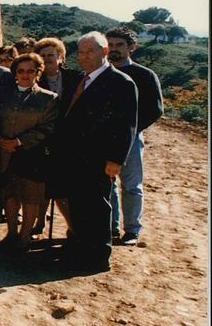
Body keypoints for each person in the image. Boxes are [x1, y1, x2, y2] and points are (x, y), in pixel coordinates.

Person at [59, 32, 137, 272]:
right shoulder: (80, 80)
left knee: (96, 207)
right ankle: (81, 248)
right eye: (80, 52)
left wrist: (116, 159)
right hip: (75, 157)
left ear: (104, 52)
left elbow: (126, 125)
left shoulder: (120, 83)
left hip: (98, 158)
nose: (83, 57)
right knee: (78, 204)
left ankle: (97, 257)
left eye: (89, 52)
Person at [105, 27, 163, 246]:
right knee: (107, 184)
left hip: (132, 139)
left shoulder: (145, 75)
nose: (114, 50)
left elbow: (155, 109)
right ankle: (110, 228)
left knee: (131, 185)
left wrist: (130, 130)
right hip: (104, 140)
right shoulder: (102, 74)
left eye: (119, 45)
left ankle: (131, 231)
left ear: (131, 47)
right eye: (110, 45)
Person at [0, 52, 58, 250]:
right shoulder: (3, 94)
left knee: (30, 198)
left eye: (30, 71)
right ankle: (11, 233)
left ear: (38, 72)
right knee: (10, 195)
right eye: (21, 71)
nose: (25, 75)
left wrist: (20, 141)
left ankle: (25, 237)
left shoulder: (49, 99)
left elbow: (47, 128)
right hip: (5, 154)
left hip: (32, 155)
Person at [35, 36, 84, 236]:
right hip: (43, 139)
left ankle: (73, 228)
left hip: (69, 140)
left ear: (61, 57)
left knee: (63, 189)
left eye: (51, 55)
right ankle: (39, 223)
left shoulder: (76, 77)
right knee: (42, 185)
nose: (47, 59)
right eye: (43, 55)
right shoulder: (35, 80)